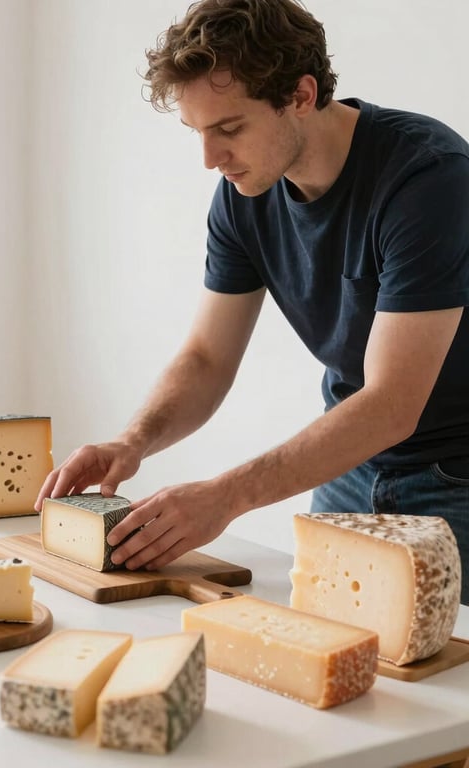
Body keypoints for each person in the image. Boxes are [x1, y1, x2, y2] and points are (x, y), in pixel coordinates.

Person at [34, 0, 469, 604]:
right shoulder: (242, 196)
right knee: (330, 650)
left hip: (455, 477)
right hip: (348, 469)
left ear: (301, 95)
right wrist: (132, 442)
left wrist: (226, 496)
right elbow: (207, 358)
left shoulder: (428, 180)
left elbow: (392, 404)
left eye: (230, 129)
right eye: (198, 132)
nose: (209, 159)